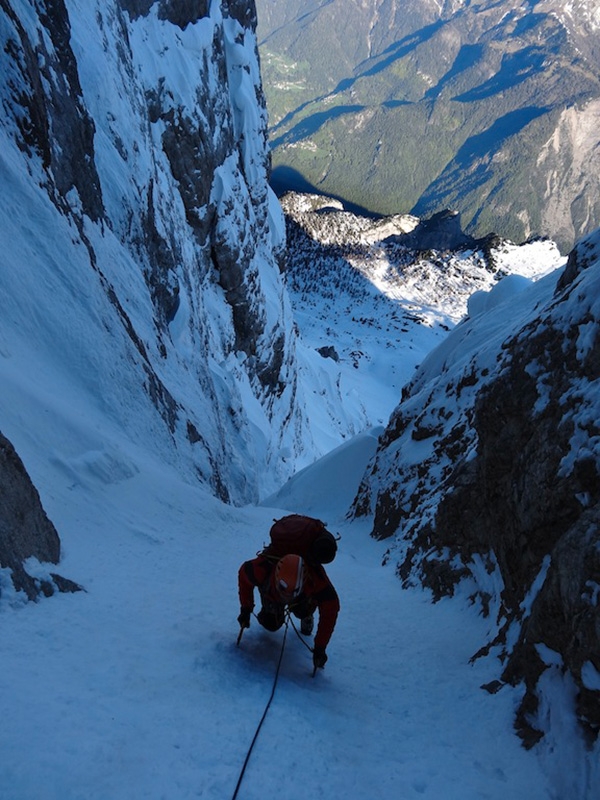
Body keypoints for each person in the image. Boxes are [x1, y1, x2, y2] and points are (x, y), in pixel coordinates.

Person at [237, 552, 340, 671]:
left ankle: (307, 614)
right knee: (270, 623)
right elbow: (244, 576)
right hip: (273, 594)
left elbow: (330, 611)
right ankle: (273, 609)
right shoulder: (261, 569)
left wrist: (320, 647)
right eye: (283, 591)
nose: (287, 596)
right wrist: (246, 609)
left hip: (301, 598)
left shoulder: (317, 580)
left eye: (292, 593)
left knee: (302, 611)